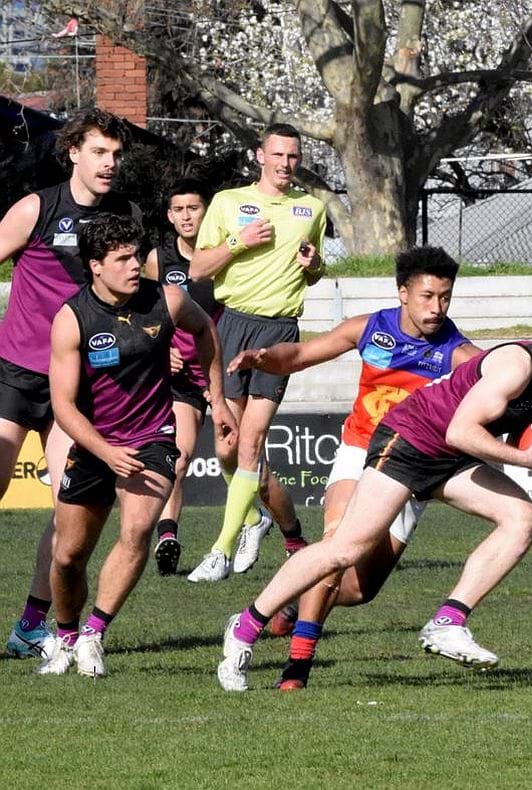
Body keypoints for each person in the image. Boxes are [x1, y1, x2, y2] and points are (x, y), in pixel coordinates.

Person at [215, 296, 532, 691]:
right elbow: (460, 430)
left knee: (522, 520)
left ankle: (448, 622)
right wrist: (529, 460)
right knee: (344, 549)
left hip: (452, 457)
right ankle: (246, 626)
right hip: (411, 440)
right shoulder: (518, 365)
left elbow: (522, 437)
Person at [224, 246, 482, 689]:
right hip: (359, 452)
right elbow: (302, 356)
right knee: (336, 544)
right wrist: (264, 357)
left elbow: (496, 375)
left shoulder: (457, 352)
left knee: (359, 590)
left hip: (413, 466)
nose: (436, 308)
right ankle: (297, 667)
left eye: (445, 297)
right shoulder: (369, 328)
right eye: (427, 296)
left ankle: (287, 603)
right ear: (403, 292)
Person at [37, 215, 235, 676]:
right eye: (122, 259)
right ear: (95, 266)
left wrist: (217, 398)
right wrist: (105, 452)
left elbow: (205, 330)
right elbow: (63, 406)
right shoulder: (71, 320)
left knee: (137, 531)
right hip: (94, 443)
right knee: (67, 556)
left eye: (134, 255)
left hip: (153, 438)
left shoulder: (166, 299)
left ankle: (93, 635)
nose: (134, 265)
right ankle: (65, 636)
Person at [0, 109, 142, 658]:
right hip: (16, 375)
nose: (110, 163)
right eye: (100, 152)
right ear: (74, 154)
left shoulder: (124, 214)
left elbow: (149, 287)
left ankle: (34, 623)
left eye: (116, 154)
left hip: (80, 388)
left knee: (70, 511)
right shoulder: (38, 207)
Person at [186, 123, 328, 582]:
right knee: (227, 445)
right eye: (279, 155)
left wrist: (315, 266)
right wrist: (237, 242)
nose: (287, 164)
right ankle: (260, 521)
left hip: (280, 333)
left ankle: (221, 550)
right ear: (259, 155)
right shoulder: (229, 203)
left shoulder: (312, 208)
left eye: (293, 156)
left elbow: (314, 269)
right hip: (232, 325)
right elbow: (197, 268)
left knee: (251, 441)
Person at [141, 178, 225, 575]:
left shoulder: (224, 254)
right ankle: (168, 536)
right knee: (178, 457)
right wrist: (163, 348)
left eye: (194, 208)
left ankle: (283, 535)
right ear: (170, 215)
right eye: (180, 209)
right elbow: (144, 314)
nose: (187, 216)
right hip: (179, 380)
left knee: (242, 462)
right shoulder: (157, 259)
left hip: (221, 375)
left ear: (206, 211)